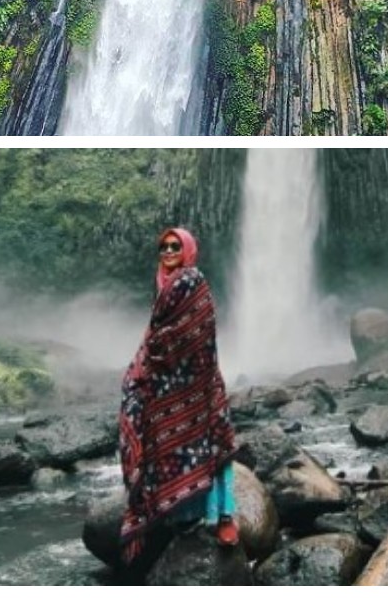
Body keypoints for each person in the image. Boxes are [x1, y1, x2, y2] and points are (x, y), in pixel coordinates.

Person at [118, 227, 238, 563]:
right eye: (163, 247)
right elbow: (155, 332)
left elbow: (198, 329)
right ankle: (182, 516)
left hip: (198, 380)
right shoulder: (161, 284)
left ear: (188, 250)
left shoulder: (193, 281)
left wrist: (161, 349)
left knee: (213, 442)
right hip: (166, 383)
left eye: (175, 246)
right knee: (164, 440)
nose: (169, 251)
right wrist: (140, 368)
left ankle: (224, 516)